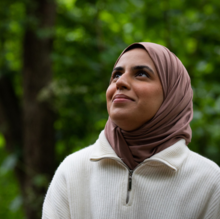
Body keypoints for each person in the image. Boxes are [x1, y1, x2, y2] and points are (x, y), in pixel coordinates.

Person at [42, 42, 220, 219]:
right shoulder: (73, 171)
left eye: (141, 74)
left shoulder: (209, 182)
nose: (120, 82)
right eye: (116, 75)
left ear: (173, 95)